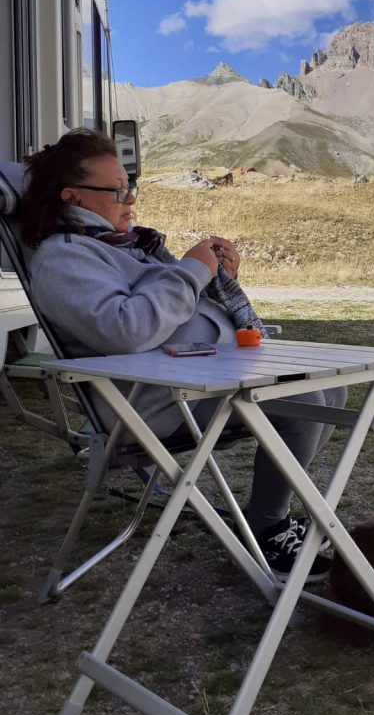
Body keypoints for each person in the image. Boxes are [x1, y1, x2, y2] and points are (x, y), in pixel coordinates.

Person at [21, 128, 346, 582]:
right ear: (71, 196)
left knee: (331, 392)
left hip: (195, 383)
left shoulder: (124, 245)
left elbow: (178, 305)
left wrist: (216, 277)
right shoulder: (64, 259)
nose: (130, 200)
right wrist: (191, 269)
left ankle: (267, 515)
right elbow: (126, 329)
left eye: (129, 187)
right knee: (303, 403)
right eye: (117, 191)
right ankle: (267, 528)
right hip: (150, 404)